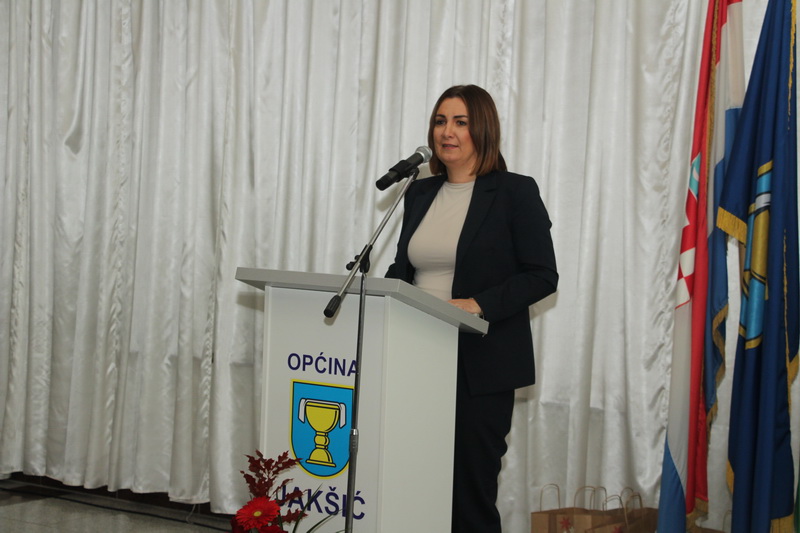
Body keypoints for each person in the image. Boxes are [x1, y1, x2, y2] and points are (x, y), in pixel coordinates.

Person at [385, 84, 558, 533]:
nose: (447, 132)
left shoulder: (515, 192)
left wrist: (478, 304)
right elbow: (405, 269)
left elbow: (542, 275)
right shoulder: (419, 193)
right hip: (416, 354)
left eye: (460, 122)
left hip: (479, 364)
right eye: (440, 121)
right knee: (413, 480)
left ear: (483, 129)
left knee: (468, 493)